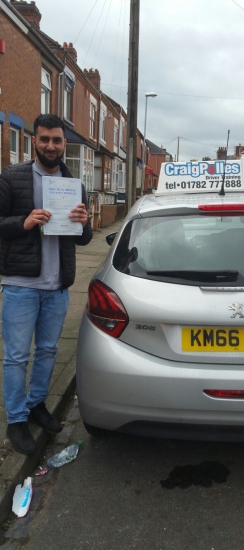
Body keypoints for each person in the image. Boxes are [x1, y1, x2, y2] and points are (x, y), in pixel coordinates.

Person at [0, 114, 92, 454]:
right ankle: (17, 419)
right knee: (17, 356)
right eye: (44, 140)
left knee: (49, 351)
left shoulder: (74, 185)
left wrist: (83, 224)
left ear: (64, 144)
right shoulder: (12, 177)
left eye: (56, 140)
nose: (50, 146)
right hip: (21, 284)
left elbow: (85, 239)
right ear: (34, 141)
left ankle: (37, 404)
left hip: (57, 286)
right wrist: (23, 222)